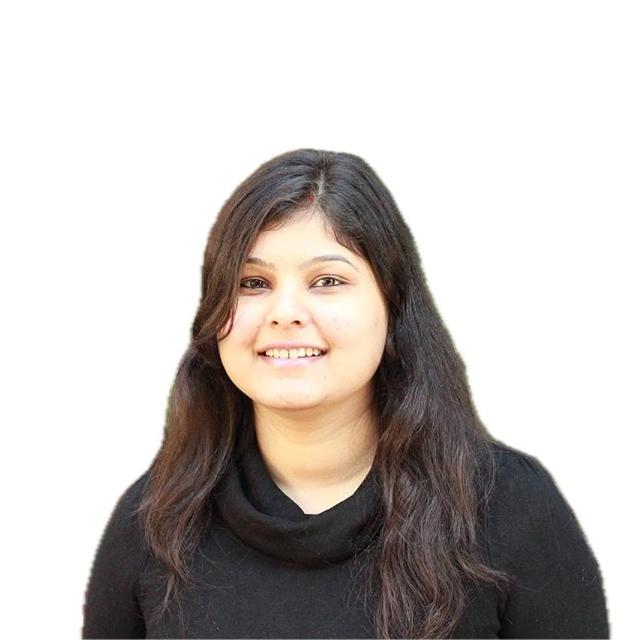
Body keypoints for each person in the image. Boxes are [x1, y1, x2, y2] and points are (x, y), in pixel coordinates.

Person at [82, 149, 609, 639]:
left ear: (393, 306)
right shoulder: (154, 521)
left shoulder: (509, 508)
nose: (285, 313)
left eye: (328, 281)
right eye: (253, 283)